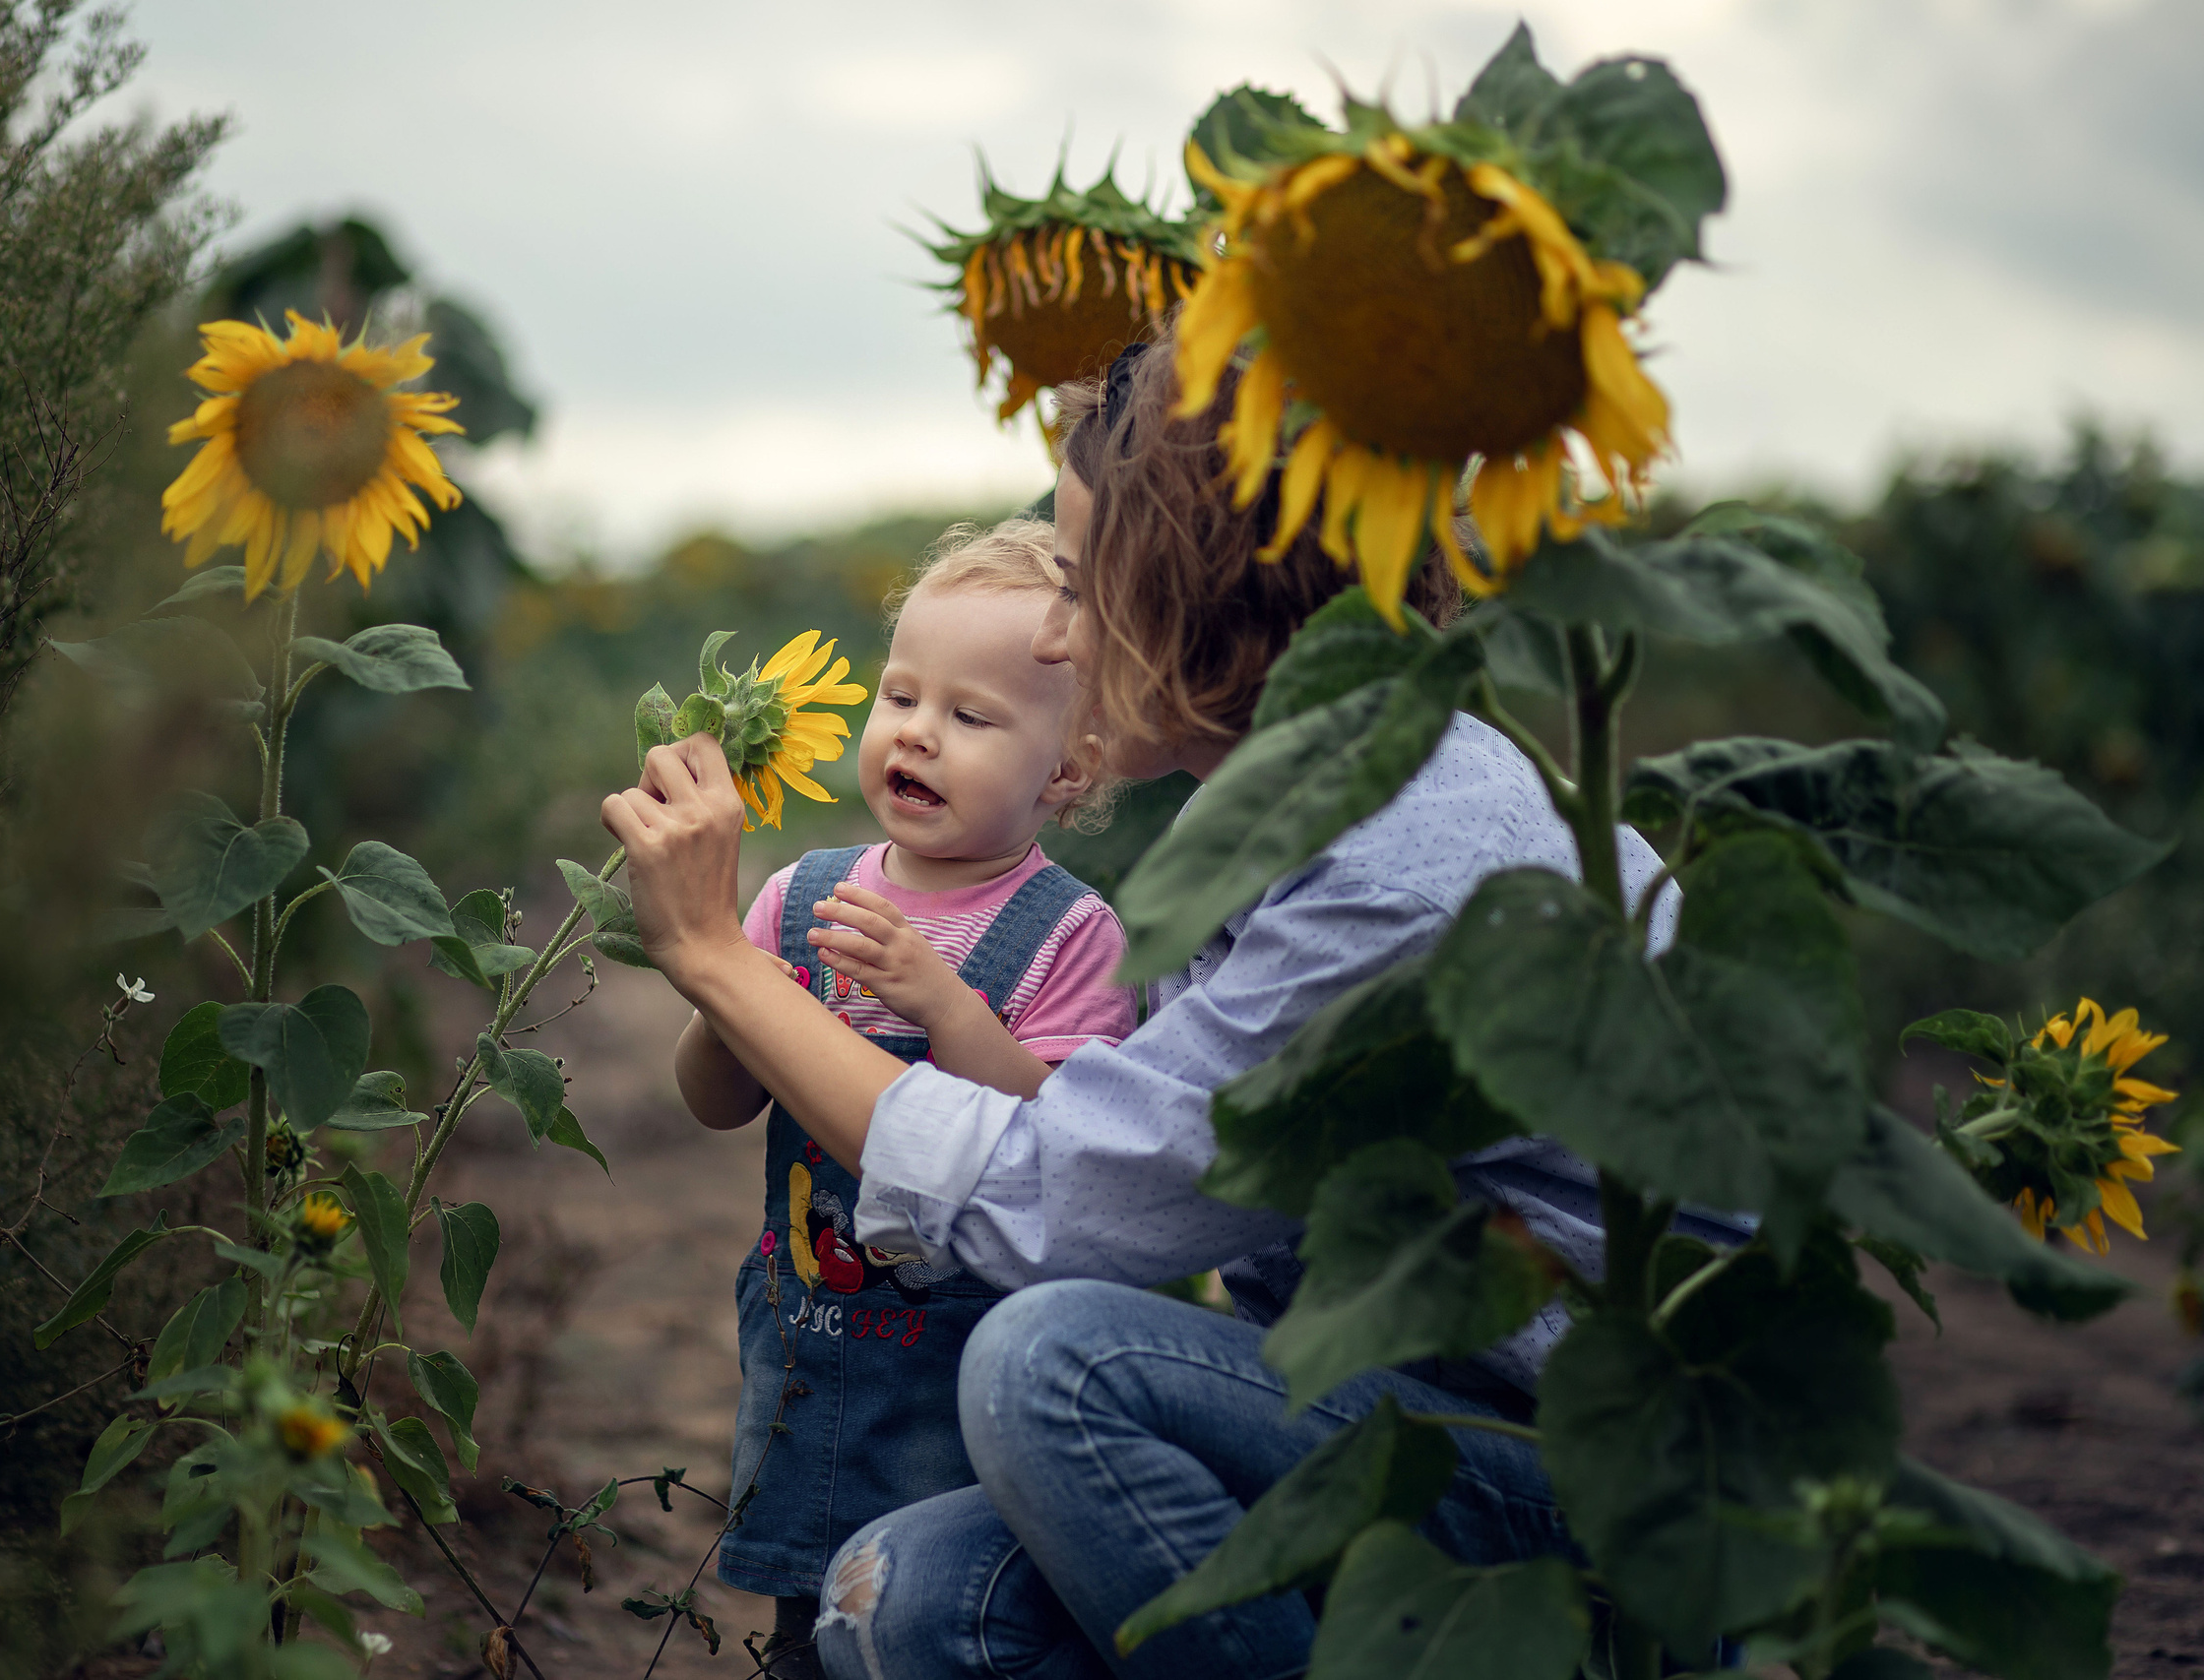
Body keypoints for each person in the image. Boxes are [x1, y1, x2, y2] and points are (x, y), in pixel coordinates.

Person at [602, 332, 1745, 1679]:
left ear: (1197, 592)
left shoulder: (1392, 869)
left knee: (1054, 1368)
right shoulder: (1299, 804)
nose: (1056, 634)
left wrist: (717, 958)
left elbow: (1062, 1204)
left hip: (1579, 1477)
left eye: (1085, 584)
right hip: (1399, 1413)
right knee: (893, 1597)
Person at [672, 519, 1137, 1671]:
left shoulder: (1072, 935)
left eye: (971, 717)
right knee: (799, 1623)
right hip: (812, 1333)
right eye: (900, 697)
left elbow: (1056, 1138)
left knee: (912, 1611)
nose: (917, 734)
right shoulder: (803, 893)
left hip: (959, 1367)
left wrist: (947, 1008)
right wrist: (740, 999)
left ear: (1068, 767)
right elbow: (709, 1101)